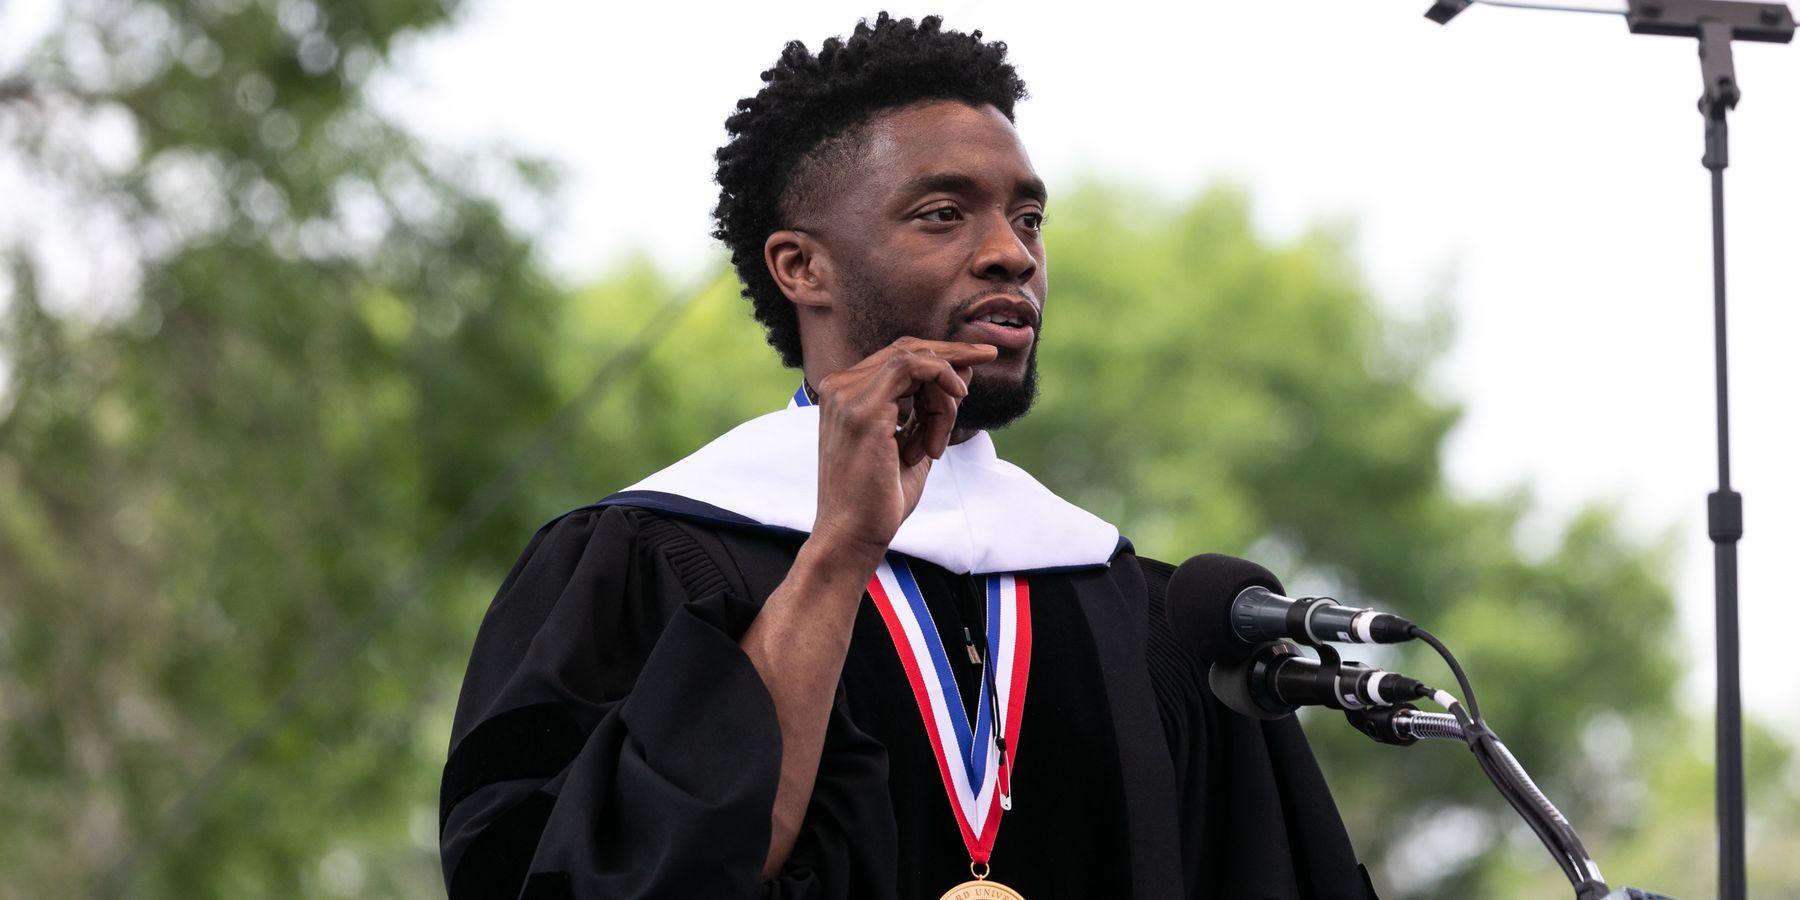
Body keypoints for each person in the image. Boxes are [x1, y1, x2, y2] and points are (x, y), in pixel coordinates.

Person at [440, 13, 1378, 900]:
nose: (1012, 254)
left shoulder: (1134, 603)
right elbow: (607, 874)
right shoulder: (648, 557)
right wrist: (841, 549)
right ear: (801, 267)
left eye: (1030, 218)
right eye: (942, 214)